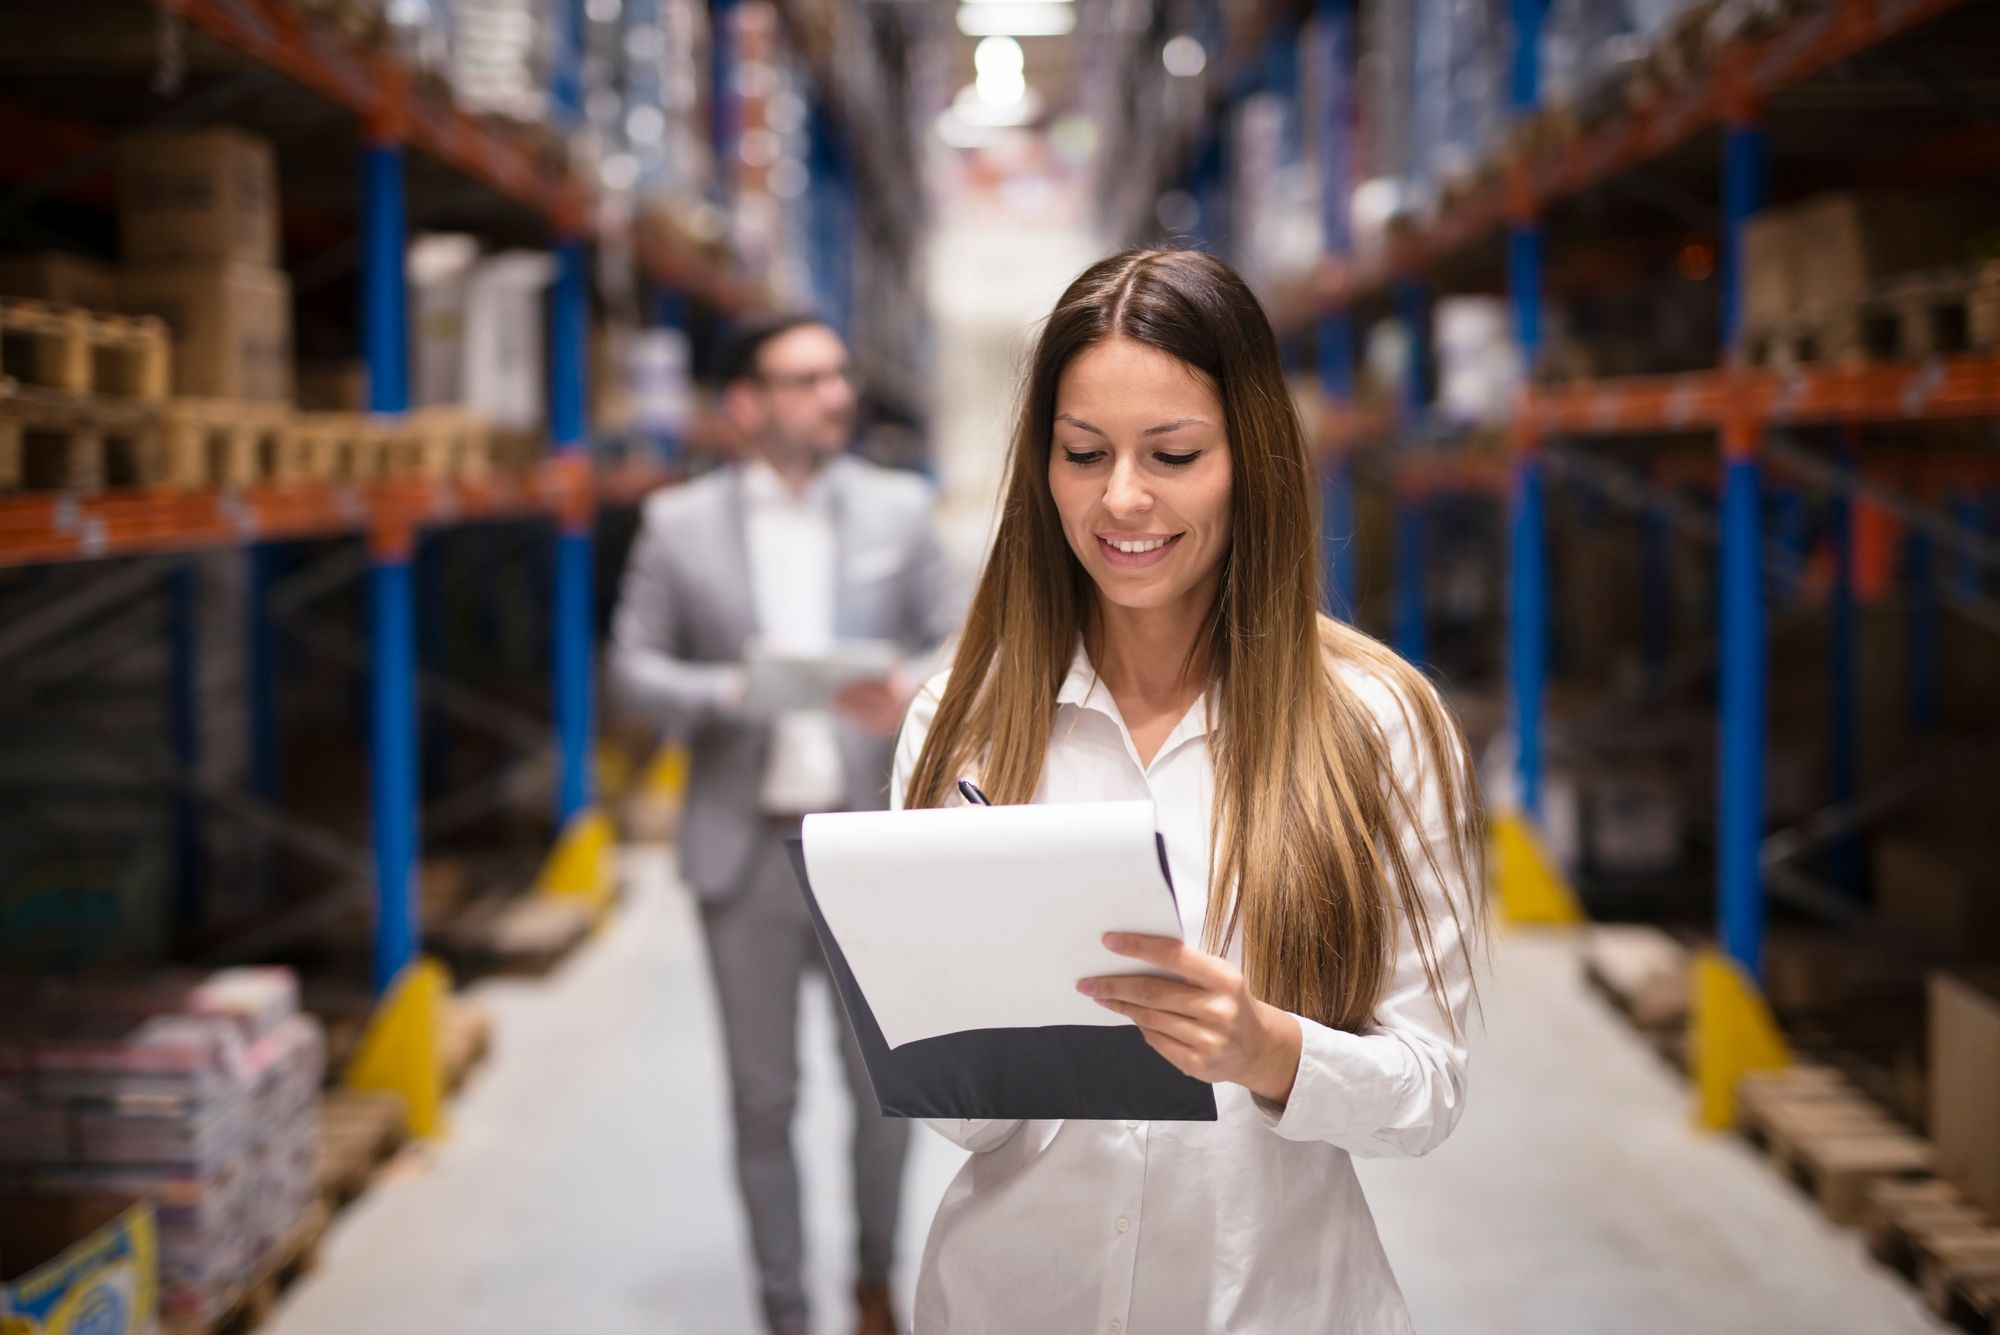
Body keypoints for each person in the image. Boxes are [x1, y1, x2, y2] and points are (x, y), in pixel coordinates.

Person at [891, 249, 1485, 1334]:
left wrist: (1270, 1051)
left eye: (1173, 454)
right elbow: (967, 1121)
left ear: (1251, 457)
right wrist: (932, 1019)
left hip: (1272, 1305)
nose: (1122, 497)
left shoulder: (1375, 723)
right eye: (1083, 453)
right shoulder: (960, 724)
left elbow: (1426, 1088)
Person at [609, 313, 960, 1335]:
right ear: (745, 404)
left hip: (869, 852)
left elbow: (963, 636)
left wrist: (911, 686)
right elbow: (630, 669)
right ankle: (785, 1310)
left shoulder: (898, 508)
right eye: (806, 379)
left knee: (886, 1093)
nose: (835, 395)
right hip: (745, 847)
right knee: (762, 1101)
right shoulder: (677, 525)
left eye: (838, 375)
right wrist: (728, 692)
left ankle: (873, 1288)